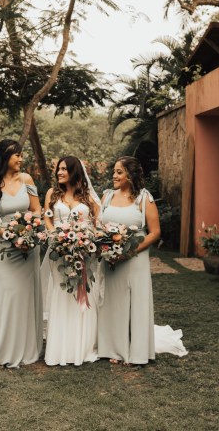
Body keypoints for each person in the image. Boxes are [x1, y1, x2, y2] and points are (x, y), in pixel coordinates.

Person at [98, 156, 187, 365]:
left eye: (119, 172)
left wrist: (129, 251)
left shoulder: (144, 198)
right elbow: (100, 226)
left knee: (135, 303)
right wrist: (106, 246)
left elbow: (155, 232)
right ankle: (114, 349)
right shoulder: (107, 196)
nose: (114, 175)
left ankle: (136, 351)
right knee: (112, 302)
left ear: (131, 174)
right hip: (110, 258)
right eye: (114, 171)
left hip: (135, 257)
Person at [0, 138, 43, 368]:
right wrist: (7, 234)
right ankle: (3, 349)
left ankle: (27, 348)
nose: (21, 159)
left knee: (25, 294)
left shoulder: (27, 180)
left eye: (22, 154)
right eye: (17, 155)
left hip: (27, 247)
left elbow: (36, 210)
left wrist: (29, 232)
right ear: (5, 157)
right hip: (1, 246)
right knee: (7, 294)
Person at [42, 156, 101, 366]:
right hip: (58, 251)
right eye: (58, 169)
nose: (59, 172)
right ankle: (60, 347)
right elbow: (47, 217)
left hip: (82, 252)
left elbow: (97, 222)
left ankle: (81, 346)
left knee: (80, 292)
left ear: (75, 171)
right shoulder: (52, 194)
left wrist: (86, 240)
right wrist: (55, 236)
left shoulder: (87, 197)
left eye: (64, 169)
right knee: (61, 291)